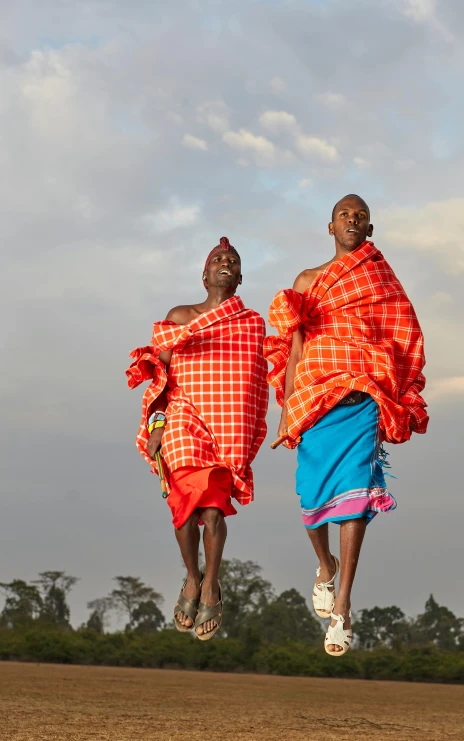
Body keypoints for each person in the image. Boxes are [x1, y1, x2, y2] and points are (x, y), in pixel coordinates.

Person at [265, 195, 428, 656]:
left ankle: (343, 605)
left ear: (369, 229)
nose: (352, 221)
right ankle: (325, 563)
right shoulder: (308, 281)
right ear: (330, 226)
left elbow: (403, 332)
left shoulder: (380, 278)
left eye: (360, 216)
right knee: (311, 498)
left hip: (363, 400)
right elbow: (293, 349)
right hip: (316, 400)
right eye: (344, 215)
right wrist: (286, 411)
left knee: (354, 500)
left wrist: (397, 390)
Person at [127, 237, 268, 640]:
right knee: (185, 510)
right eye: (218, 259)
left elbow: (255, 383)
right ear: (204, 275)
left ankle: (211, 585)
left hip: (228, 427)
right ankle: (192, 577)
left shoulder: (251, 323)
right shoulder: (180, 315)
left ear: (239, 278)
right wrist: (155, 427)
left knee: (212, 512)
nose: (225, 262)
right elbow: (160, 377)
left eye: (233, 261)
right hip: (182, 420)